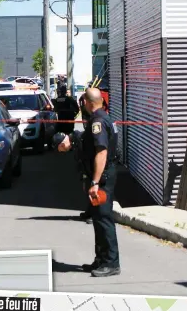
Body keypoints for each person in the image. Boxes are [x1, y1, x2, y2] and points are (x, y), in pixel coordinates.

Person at [80, 87, 120, 277]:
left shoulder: (97, 121)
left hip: (102, 179)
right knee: (97, 218)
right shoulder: (105, 117)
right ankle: (101, 259)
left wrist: (95, 181)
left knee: (104, 219)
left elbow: (101, 151)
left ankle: (111, 263)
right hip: (102, 176)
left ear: (88, 102)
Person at [52, 131, 92, 224]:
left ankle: (94, 215)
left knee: (92, 190)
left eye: (61, 150)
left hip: (93, 167)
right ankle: (89, 212)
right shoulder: (75, 138)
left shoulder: (78, 139)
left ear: (62, 144)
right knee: (87, 189)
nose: (63, 151)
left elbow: (88, 156)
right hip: (87, 168)